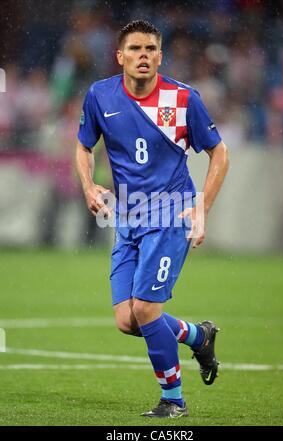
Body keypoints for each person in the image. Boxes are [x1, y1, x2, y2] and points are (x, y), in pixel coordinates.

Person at [76, 20, 229, 418]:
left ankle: (174, 401)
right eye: (135, 49)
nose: (143, 56)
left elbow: (220, 153)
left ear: (160, 56)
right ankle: (199, 336)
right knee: (127, 320)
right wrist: (89, 185)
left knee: (145, 310)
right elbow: (83, 145)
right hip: (128, 216)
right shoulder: (100, 95)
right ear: (120, 56)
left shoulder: (182, 99)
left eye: (150, 50)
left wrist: (202, 207)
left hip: (169, 214)